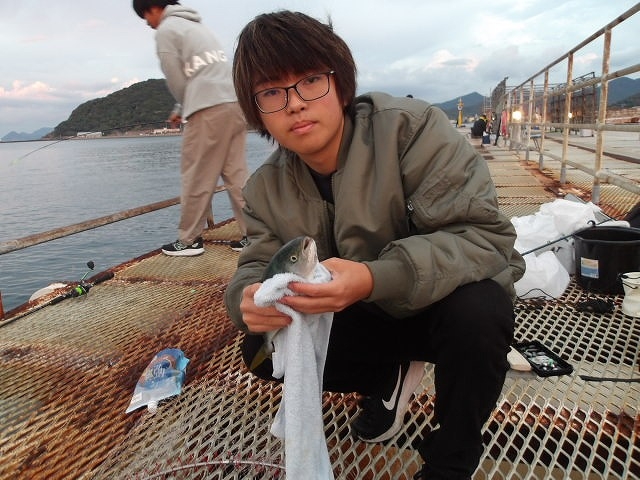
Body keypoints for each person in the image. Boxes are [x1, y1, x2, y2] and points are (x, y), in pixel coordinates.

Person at [224, 11, 525, 480]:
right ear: (256, 109)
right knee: (260, 352)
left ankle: (451, 459)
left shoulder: (412, 130)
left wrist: (372, 278)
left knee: (482, 311)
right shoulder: (265, 188)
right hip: (361, 320)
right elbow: (257, 262)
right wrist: (246, 302)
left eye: (310, 81)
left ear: (341, 84)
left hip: (434, 309)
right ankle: (387, 375)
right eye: (271, 92)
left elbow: (485, 237)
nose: (295, 104)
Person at [133, 0, 249, 256]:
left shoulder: (167, 30)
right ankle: (253, 235)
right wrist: (180, 108)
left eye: (145, 17)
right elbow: (203, 73)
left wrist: (185, 106)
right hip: (234, 104)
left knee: (197, 176)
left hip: (207, 109)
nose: (148, 24)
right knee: (237, 175)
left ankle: (189, 240)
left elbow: (176, 78)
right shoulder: (199, 27)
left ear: (153, 8)